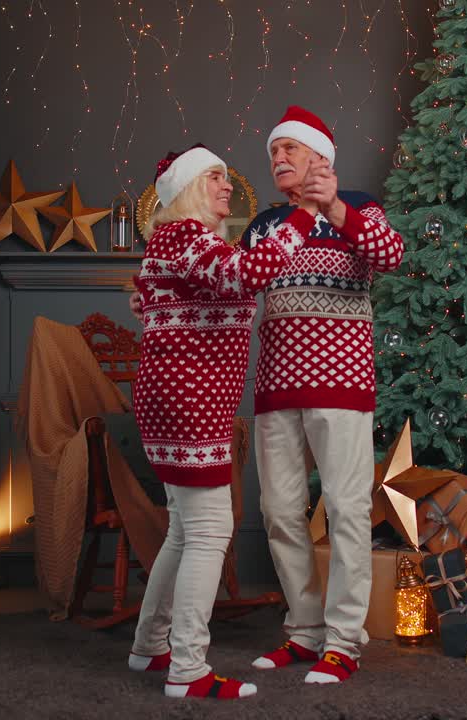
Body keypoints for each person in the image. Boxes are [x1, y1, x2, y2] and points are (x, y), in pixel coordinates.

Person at [131, 106, 405, 685]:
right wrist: (155, 297)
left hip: (343, 385)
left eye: (288, 149)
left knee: (348, 513)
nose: (276, 159)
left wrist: (333, 207)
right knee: (280, 513)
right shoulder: (263, 225)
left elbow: (389, 256)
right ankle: (304, 633)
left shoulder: (358, 208)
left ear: (320, 158)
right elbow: (226, 278)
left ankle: (344, 643)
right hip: (275, 388)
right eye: (273, 151)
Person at [126, 143, 317, 700]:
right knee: (210, 530)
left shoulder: (175, 243)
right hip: (190, 402)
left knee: (184, 530)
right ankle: (188, 670)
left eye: (226, 177)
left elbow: (161, 293)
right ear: (187, 189)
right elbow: (244, 275)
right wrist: (302, 212)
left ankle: (149, 647)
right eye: (214, 177)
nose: (226, 186)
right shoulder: (187, 237)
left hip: (173, 398)